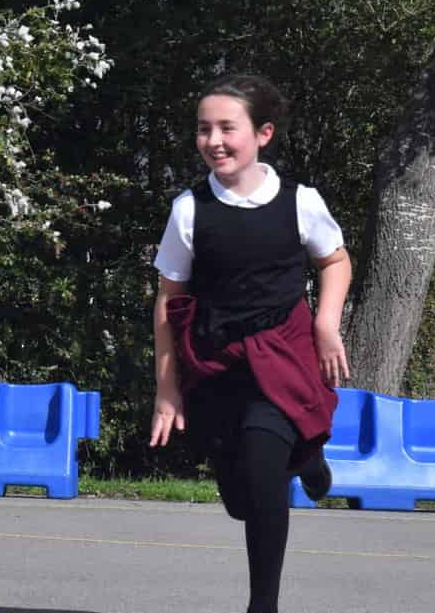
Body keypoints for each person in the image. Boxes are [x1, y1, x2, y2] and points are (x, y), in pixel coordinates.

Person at [149, 74, 352, 613]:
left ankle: (263, 606)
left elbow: (335, 261)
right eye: (204, 129)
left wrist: (326, 323)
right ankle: (307, 458)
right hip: (216, 365)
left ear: (263, 134)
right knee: (242, 501)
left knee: (264, 474)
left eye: (226, 128)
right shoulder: (189, 210)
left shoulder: (299, 202)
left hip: (283, 357)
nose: (213, 140)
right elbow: (169, 299)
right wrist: (167, 390)